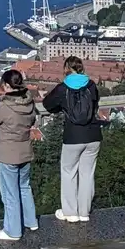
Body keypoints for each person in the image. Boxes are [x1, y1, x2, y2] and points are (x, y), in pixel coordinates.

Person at [42, 55, 102, 223]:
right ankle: (84, 212)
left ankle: (70, 212)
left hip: (73, 135)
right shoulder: (91, 85)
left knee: (68, 173)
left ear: (66, 69)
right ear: (82, 68)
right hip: (93, 134)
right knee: (87, 174)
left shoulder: (63, 88)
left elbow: (48, 104)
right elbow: (96, 103)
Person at [0, 69, 38, 241]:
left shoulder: (5, 107)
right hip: (26, 151)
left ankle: (13, 231)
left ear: (7, 86)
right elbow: (34, 119)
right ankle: (31, 221)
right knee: (24, 186)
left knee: (10, 192)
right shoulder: (29, 103)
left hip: (8, 154)